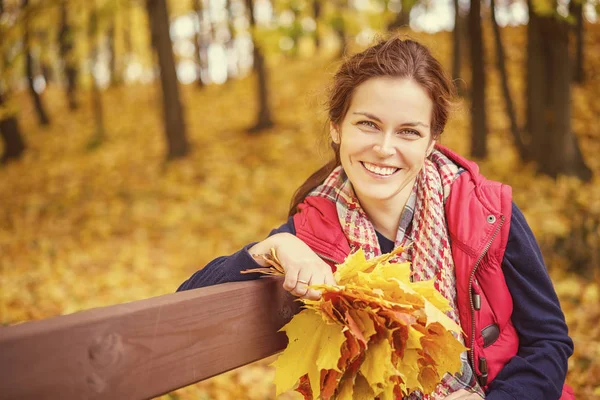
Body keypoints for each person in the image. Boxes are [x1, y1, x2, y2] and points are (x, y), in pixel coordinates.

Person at [178, 36, 574, 400]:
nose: (385, 148)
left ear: (432, 141)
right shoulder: (313, 233)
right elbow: (184, 311)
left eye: (408, 132)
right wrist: (272, 246)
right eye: (368, 124)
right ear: (337, 128)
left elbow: (549, 340)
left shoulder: (486, 210)